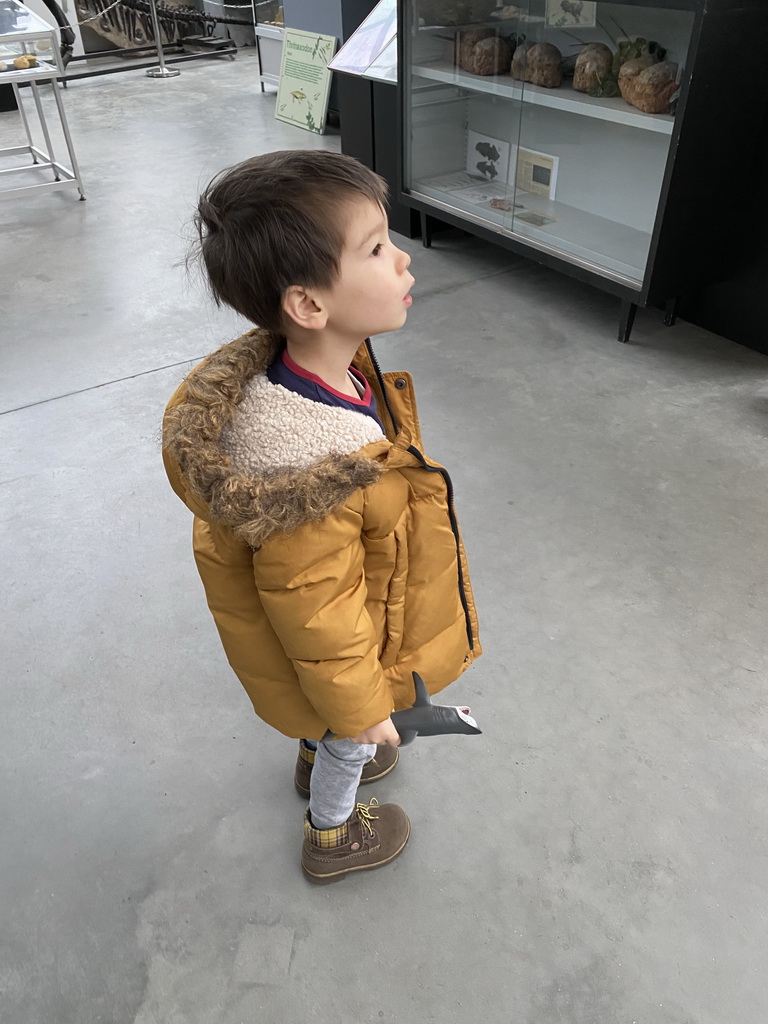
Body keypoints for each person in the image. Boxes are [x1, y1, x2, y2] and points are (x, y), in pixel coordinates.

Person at [162, 150, 481, 885]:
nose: (402, 260)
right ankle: (332, 834)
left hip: (350, 628)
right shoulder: (304, 482)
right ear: (308, 306)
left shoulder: (329, 365)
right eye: (375, 248)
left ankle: (317, 748)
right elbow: (319, 617)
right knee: (352, 740)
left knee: (337, 723)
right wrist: (364, 708)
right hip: (345, 652)